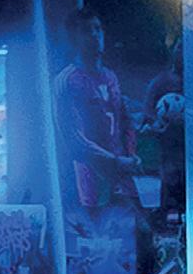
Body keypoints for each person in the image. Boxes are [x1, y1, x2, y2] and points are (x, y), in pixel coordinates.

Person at [55, 11, 137, 211]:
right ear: (73, 38)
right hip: (91, 182)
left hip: (122, 177)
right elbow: (73, 138)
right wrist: (114, 161)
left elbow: (124, 120)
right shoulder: (67, 80)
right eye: (86, 30)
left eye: (97, 29)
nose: (94, 35)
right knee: (96, 226)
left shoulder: (110, 76)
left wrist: (132, 154)